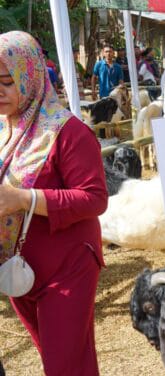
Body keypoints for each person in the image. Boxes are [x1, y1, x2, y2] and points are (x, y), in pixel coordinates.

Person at [0, 30, 108, 375]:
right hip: (18, 268)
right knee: (60, 359)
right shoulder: (4, 128)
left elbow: (94, 199)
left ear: (29, 76)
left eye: (6, 81)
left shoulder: (68, 131)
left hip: (67, 266)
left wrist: (23, 199)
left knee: (63, 365)